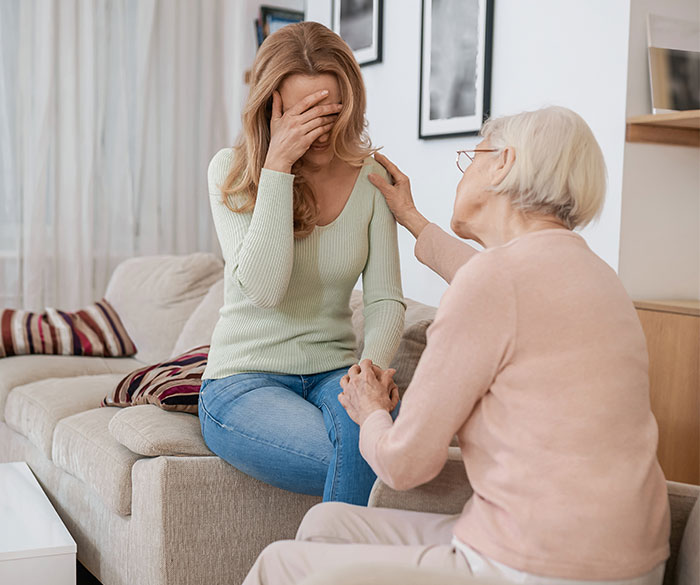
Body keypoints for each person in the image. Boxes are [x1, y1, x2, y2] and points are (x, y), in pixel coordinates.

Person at [241, 106, 671, 585]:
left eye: (473, 158)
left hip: (539, 565)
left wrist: (371, 413)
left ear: (503, 163)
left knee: (279, 564)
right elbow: (500, 285)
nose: (465, 171)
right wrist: (412, 218)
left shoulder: (494, 283)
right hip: (630, 558)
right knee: (327, 524)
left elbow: (405, 465)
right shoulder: (594, 275)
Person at [198, 21, 405, 506]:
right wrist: (277, 168)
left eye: (328, 111)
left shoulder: (372, 178)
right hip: (242, 380)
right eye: (301, 113)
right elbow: (265, 290)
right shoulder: (231, 173)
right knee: (369, 457)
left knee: (369, 440)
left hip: (335, 373)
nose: (317, 128)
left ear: (348, 103)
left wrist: (368, 378)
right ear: (272, 108)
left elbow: (385, 300)